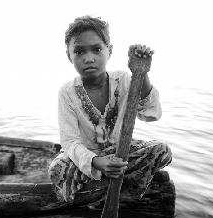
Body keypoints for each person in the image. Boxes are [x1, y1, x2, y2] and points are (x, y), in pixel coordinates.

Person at [48, 16, 172, 205]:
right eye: (79, 51)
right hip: (87, 158)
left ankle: (116, 189)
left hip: (120, 155)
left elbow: (151, 114)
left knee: (162, 150)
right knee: (56, 169)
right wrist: (98, 162)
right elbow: (70, 142)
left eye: (97, 49)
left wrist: (142, 73)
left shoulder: (123, 81)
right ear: (69, 55)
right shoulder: (67, 92)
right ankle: (105, 188)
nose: (89, 58)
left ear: (109, 51)